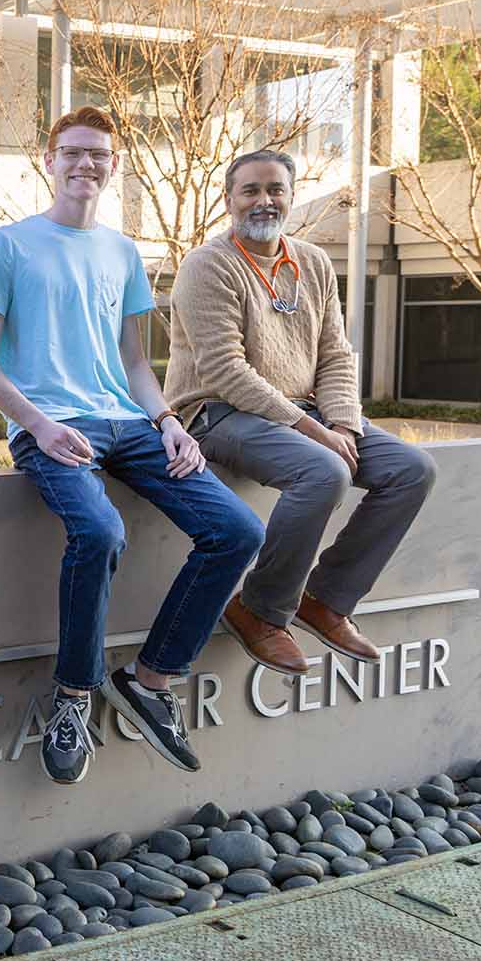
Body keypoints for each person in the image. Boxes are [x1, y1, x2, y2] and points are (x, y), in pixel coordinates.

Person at [0, 105, 263, 787]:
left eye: (98, 154)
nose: (85, 164)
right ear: (49, 159)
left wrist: (167, 420)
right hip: (52, 429)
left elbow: (133, 362)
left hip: (128, 424)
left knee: (237, 529)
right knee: (98, 531)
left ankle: (152, 678)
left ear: (114, 164)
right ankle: (73, 697)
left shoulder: (124, 252)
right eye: (72, 151)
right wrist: (37, 425)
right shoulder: (9, 244)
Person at [166, 149, 437, 674]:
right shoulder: (207, 265)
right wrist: (314, 431)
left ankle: (326, 601)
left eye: (275, 189)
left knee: (411, 470)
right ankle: (258, 610)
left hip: (304, 409)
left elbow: (335, 354)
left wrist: (341, 424)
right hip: (217, 412)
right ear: (228, 200)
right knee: (323, 470)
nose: (264, 200)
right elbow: (224, 370)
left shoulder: (311, 262)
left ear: (291, 196)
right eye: (250, 190)